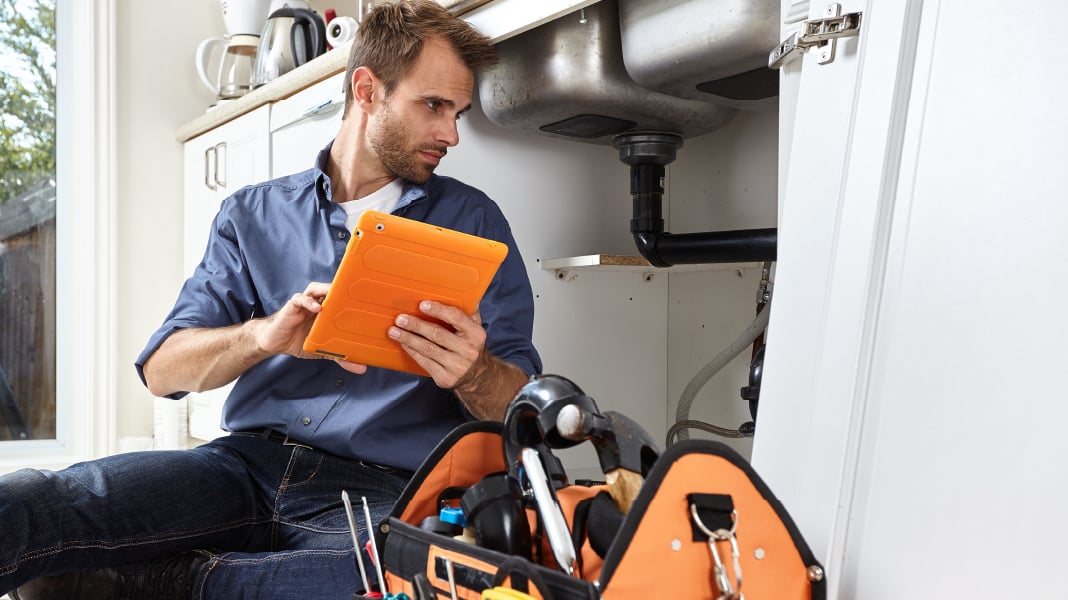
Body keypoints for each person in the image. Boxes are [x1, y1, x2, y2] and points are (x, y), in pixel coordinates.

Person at [0, 1, 540, 598]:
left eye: (458, 113)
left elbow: (518, 412)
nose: (451, 134)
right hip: (240, 467)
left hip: (381, 488)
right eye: (433, 105)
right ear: (366, 90)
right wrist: (263, 336)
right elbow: (162, 371)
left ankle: (159, 581)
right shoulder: (252, 214)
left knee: (392, 579)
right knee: (35, 501)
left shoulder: (474, 222)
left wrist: (474, 372)